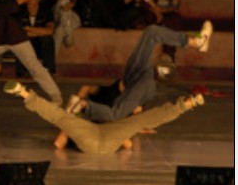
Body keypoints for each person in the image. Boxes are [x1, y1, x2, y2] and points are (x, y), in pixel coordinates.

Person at [3, 80, 206, 154]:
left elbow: (60, 131)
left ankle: (23, 92)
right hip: (99, 136)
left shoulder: (112, 106)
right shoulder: (104, 98)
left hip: (98, 135)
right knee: (140, 120)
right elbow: (127, 142)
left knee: (61, 117)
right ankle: (187, 104)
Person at [67, 22, 212, 124]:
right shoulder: (108, 110)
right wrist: (84, 106)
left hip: (133, 76)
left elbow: (86, 87)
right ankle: (81, 106)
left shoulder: (102, 95)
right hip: (142, 87)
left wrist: (75, 103)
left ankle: (195, 42)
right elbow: (126, 117)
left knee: (151, 32)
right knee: (115, 114)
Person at [14, 0, 56, 76]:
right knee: (19, 39)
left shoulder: (46, 11)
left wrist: (28, 28)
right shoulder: (19, 12)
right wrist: (40, 32)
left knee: (47, 38)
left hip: (40, 44)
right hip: (25, 42)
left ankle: (49, 69)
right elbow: (18, 32)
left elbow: (49, 31)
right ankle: (21, 72)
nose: (30, 0)